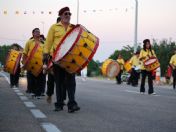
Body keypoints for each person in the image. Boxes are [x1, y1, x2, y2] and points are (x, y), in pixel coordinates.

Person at [43, 7, 80, 113]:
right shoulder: (54, 28)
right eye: (65, 14)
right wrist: (45, 60)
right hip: (57, 59)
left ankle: (72, 104)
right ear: (60, 15)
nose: (68, 15)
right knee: (59, 83)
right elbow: (48, 44)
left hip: (70, 60)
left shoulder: (74, 28)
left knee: (71, 82)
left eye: (69, 14)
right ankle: (59, 104)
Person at [23, 28, 46, 98]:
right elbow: (25, 53)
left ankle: (38, 93)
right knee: (31, 79)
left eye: (39, 32)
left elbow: (46, 53)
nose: (38, 33)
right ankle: (32, 91)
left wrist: (45, 63)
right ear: (33, 33)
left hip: (40, 64)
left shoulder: (43, 43)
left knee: (40, 79)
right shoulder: (29, 42)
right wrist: (24, 63)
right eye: (36, 32)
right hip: (31, 63)